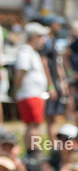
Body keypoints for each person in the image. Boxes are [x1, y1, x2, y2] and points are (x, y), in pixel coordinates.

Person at [13, 23, 53, 153]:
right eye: (41, 36)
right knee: (34, 125)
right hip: (30, 94)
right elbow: (20, 74)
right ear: (33, 37)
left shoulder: (31, 52)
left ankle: (32, 151)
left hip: (33, 94)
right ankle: (33, 152)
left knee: (34, 124)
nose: (44, 40)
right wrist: (18, 90)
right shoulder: (25, 52)